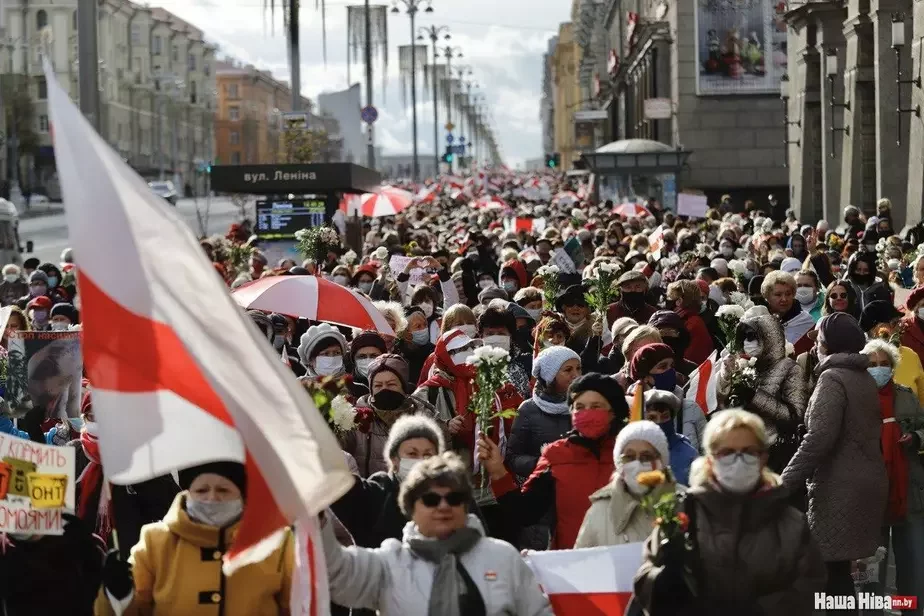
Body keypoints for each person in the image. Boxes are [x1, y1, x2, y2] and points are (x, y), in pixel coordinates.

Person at [634, 410, 826, 615]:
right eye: (727, 452)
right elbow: (645, 577)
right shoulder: (682, 514)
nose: (738, 460)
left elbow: (810, 585)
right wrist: (661, 582)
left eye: (749, 451)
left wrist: (763, 611)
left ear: (763, 458)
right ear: (710, 460)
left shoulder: (790, 522)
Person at [321, 452, 554, 616]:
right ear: (411, 508)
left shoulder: (502, 557)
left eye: (453, 498)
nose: (443, 506)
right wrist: (314, 514)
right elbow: (336, 571)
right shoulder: (391, 562)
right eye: (431, 499)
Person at [782, 313, 888, 602]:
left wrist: (785, 481)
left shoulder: (832, 378)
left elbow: (819, 438)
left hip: (839, 487)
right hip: (866, 481)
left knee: (834, 577)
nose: (816, 346)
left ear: (830, 345)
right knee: (842, 573)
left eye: (819, 341)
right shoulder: (862, 376)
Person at [96, 461, 294, 616]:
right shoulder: (155, 542)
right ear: (188, 493)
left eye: (223, 490)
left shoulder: (275, 542)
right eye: (202, 490)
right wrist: (118, 595)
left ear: (241, 496)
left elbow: (298, 606)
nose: (212, 498)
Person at [477, 373, 629, 550]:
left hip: (624, 559)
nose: (586, 413)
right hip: (572, 561)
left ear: (614, 412)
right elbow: (526, 513)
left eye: (596, 406)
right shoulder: (557, 455)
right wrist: (498, 473)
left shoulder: (629, 452)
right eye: (579, 407)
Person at [862, 338, 924, 610]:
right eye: (872, 364)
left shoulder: (907, 395)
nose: (878, 369)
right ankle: (874, 611)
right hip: (870, 493)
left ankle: (909, 608)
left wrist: (917, 437)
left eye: (884, 364)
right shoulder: (857, 400)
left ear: (893, 366)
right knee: (871, 569)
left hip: (908, 491)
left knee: (912, 564)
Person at [717, 306, 807, 472]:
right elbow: (721, 402)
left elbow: (794, 416)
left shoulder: (790, 369)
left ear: (769, 337)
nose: (747, 342)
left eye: (752, 337)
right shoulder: (749, 366)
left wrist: (754, 397)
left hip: (776, 454)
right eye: (744, 337)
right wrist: (726, 377)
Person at [574, 420, 677, 548]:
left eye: (646, 456)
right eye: (629, 457)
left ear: (662, 460)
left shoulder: (684, 502)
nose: (637, 464)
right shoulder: (599, 510)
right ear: (619, 462)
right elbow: (582, 563)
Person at [345, 354, 444, 478]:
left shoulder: (426, 417)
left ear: (403, 387)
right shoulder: (356, 419)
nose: (384, 389)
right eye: (378, 386)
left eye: (391, 384)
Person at [506, 346, 582, 479]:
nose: (576, 375)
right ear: (549, 376)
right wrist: (542, 464)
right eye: (568, 370)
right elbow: (513, 457)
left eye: (578, 368)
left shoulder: (585, 405)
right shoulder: (528, 410)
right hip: (542, 489)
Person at [860, 299, 924, 402]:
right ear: (877, 330)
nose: (900, 327)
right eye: (894, 323)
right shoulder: (861, 360)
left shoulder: (910, 355)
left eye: (899, 321)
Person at [644, 390, 698, 486]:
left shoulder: (689, 453)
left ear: (672, 418)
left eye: (665, 416)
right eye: (652, 418)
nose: (659, 422)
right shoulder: (635, 451)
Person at [665, 280, 713, 365]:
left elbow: (690, 358)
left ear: (680, 300)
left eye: (672, 297)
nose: (670, 301)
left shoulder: (692, 323)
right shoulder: (684, 319)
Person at [761, 271, 814, 344]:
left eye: (788, 294)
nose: (784, 299)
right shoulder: (760, 318)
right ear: (767, 297)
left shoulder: (805, 321)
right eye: (778, 295)